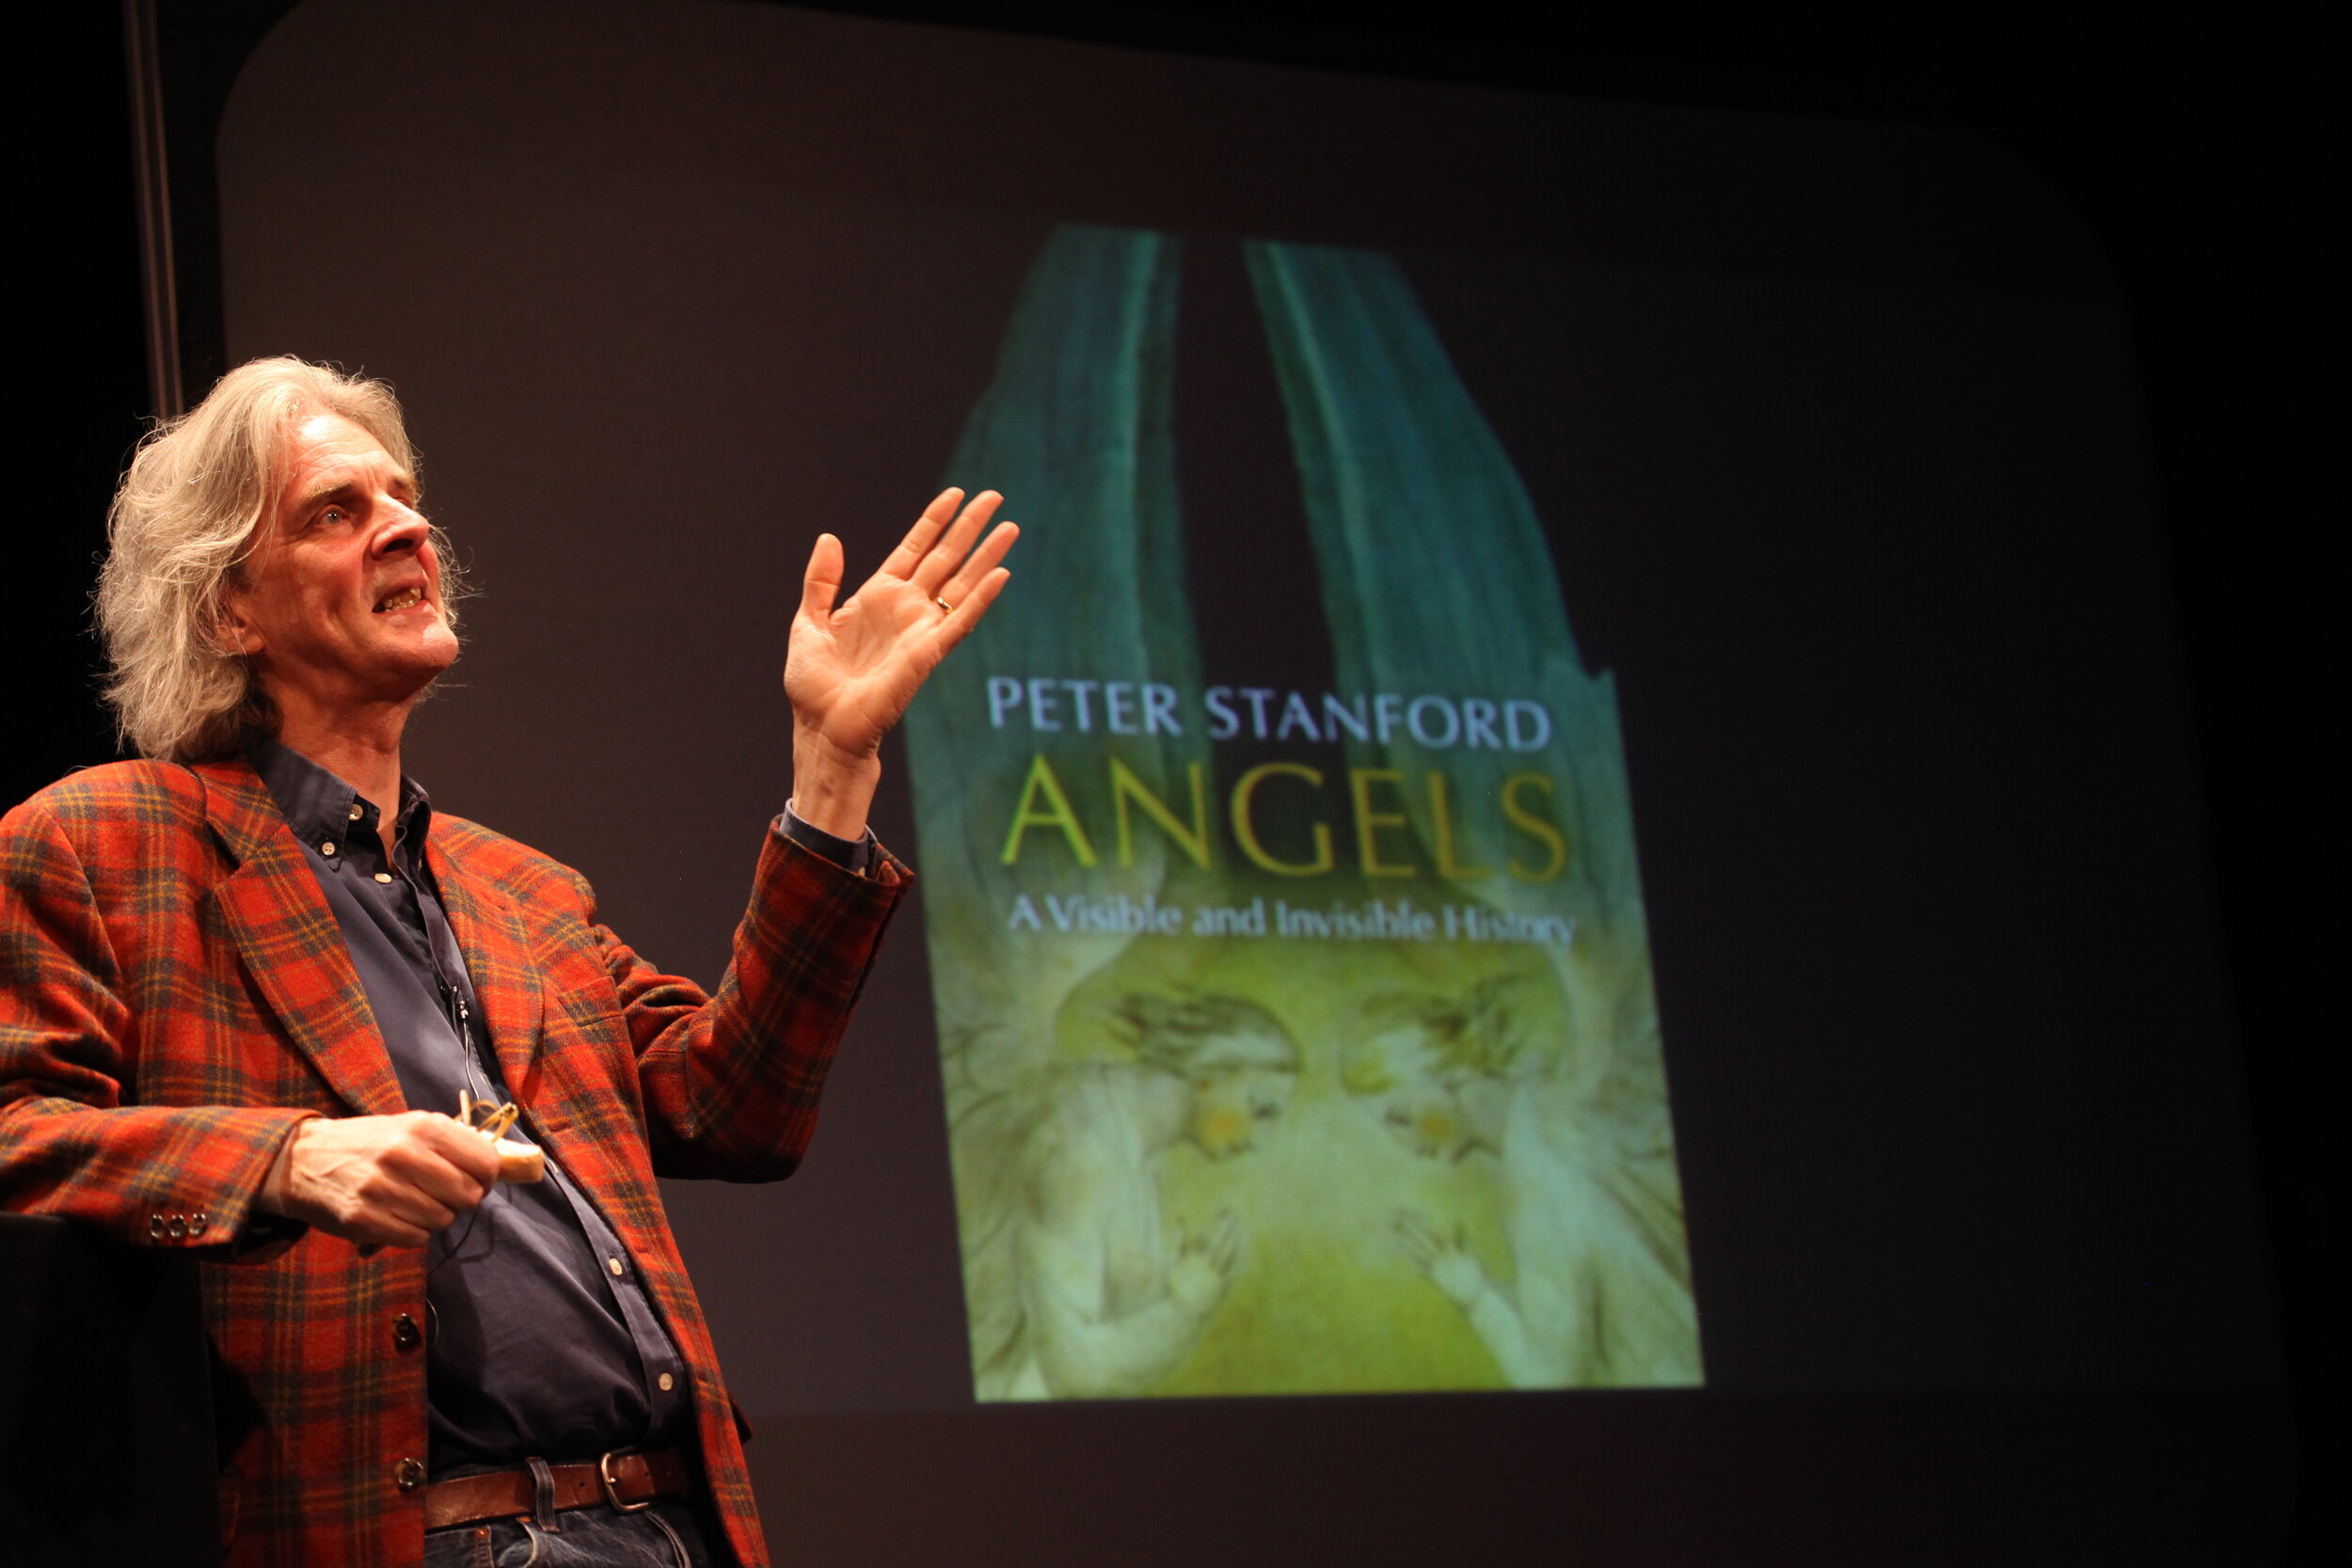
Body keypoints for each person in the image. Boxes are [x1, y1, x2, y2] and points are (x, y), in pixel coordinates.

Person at [0, 357, 1016, 1566]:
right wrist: (286, 1159)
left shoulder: (524, 890)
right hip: (419, 1534)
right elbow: (17, 1138)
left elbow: (737, 1106)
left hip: (670, 1521)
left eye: (405, 497)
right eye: (336, 510)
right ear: (230, 611)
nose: (407, 526)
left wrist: (830, 769)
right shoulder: (106, 841)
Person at [1340, 981, 1701, 1389]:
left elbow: (1551, 1377)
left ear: (1449, 1071)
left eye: (1400, 1117)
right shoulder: (1552, 1107)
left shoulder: (1534, 1172)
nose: (1404, 1145)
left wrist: (1475, 1297)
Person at [961, 990, 1299, 1401]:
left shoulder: (1130, 1137)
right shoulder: (1083, 1149)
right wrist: (1186, 1305)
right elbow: (1075, 1374)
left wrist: (1169, 1291)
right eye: (1260, 1109)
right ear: (1206, 1078)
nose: (1260, 1141)